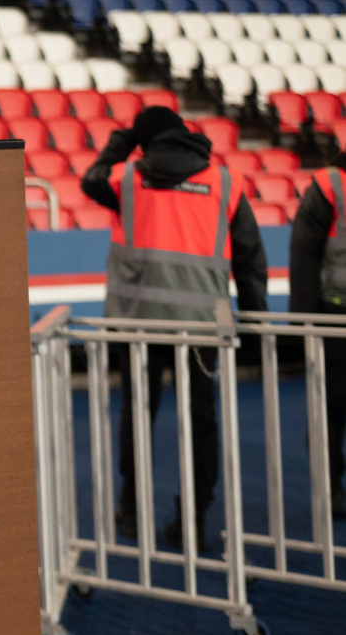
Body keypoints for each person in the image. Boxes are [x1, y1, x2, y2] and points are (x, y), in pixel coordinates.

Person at [81, 106, 268, 549]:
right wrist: (255, 326)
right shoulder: (225, 182)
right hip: (203, 329)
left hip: (139, 326)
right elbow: (250, 259)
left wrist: (124, 139)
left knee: (137, 414)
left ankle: (132, 510)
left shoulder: (127, 179)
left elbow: (91, 179)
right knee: (201, 420)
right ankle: (193, 520)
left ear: (145, 141)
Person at [280, 167, 346, 521]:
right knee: (330, 408)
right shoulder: (331, 185)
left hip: (335, 315)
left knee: (329, 409)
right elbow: (304, 254)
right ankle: (329, 489)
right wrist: (304, 324)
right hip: (334, 318)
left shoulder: (330, 185)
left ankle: (330, 489)